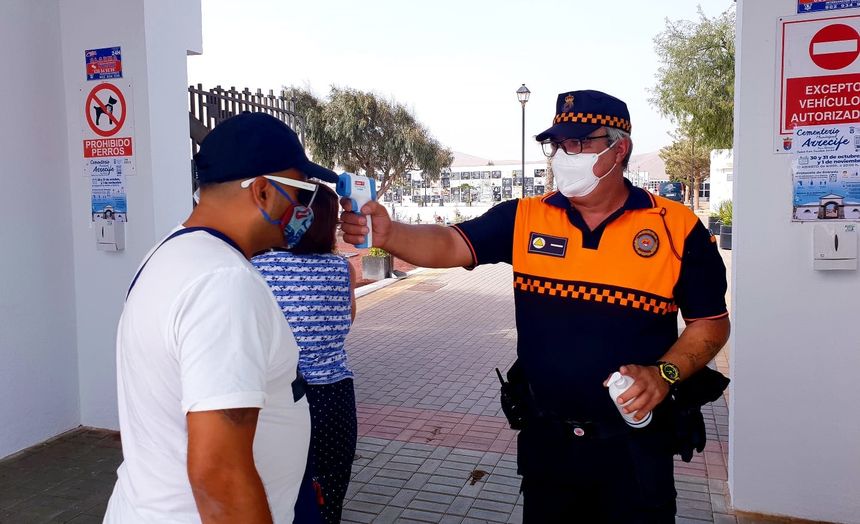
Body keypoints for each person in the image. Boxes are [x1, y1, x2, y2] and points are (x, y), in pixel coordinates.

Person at [339, 90, 730, 522]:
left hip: (634, 448)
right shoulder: (525, 218)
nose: (565, 154)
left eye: (580, 143)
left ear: (620, 149)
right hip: (549, 446)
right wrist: (390, 232)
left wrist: (663, 374)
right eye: (559, 144)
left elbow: (711, 326)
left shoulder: (676, 228)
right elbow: (450, 242)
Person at [104, 112, 340, 524]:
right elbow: (220, 474)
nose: (305, 209)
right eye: (301, 194)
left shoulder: (170, 252)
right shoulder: (223, 283)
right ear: (264, 193)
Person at [252, 183, 358, 524]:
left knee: (277, 492)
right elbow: (347, 319)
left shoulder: (257, 267)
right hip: (333, 398)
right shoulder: (342, 269)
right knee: (327, 490)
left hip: (277, 397)